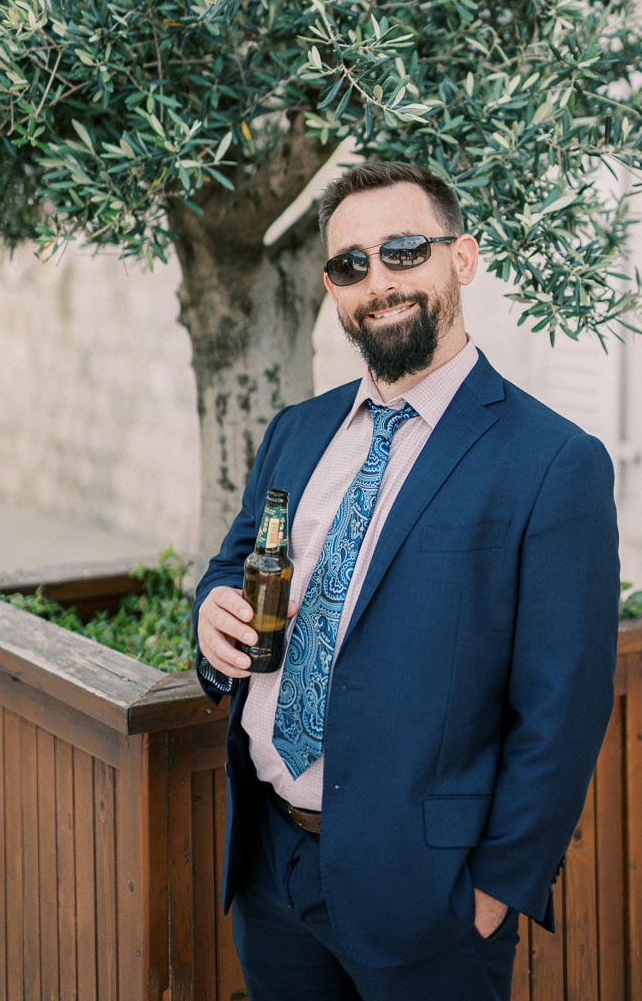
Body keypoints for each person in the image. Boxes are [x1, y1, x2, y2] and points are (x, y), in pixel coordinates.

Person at [193, 160, 620, 1001]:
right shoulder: (296, 431)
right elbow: (236, 560)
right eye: (352, 265)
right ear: (331, 288)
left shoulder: (553, 462)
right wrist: (210, 610)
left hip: (432, 897)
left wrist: (497, 891)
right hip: (269, 867)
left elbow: (564, 705)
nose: (378, 281)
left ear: (460, 258)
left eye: (402, 251)